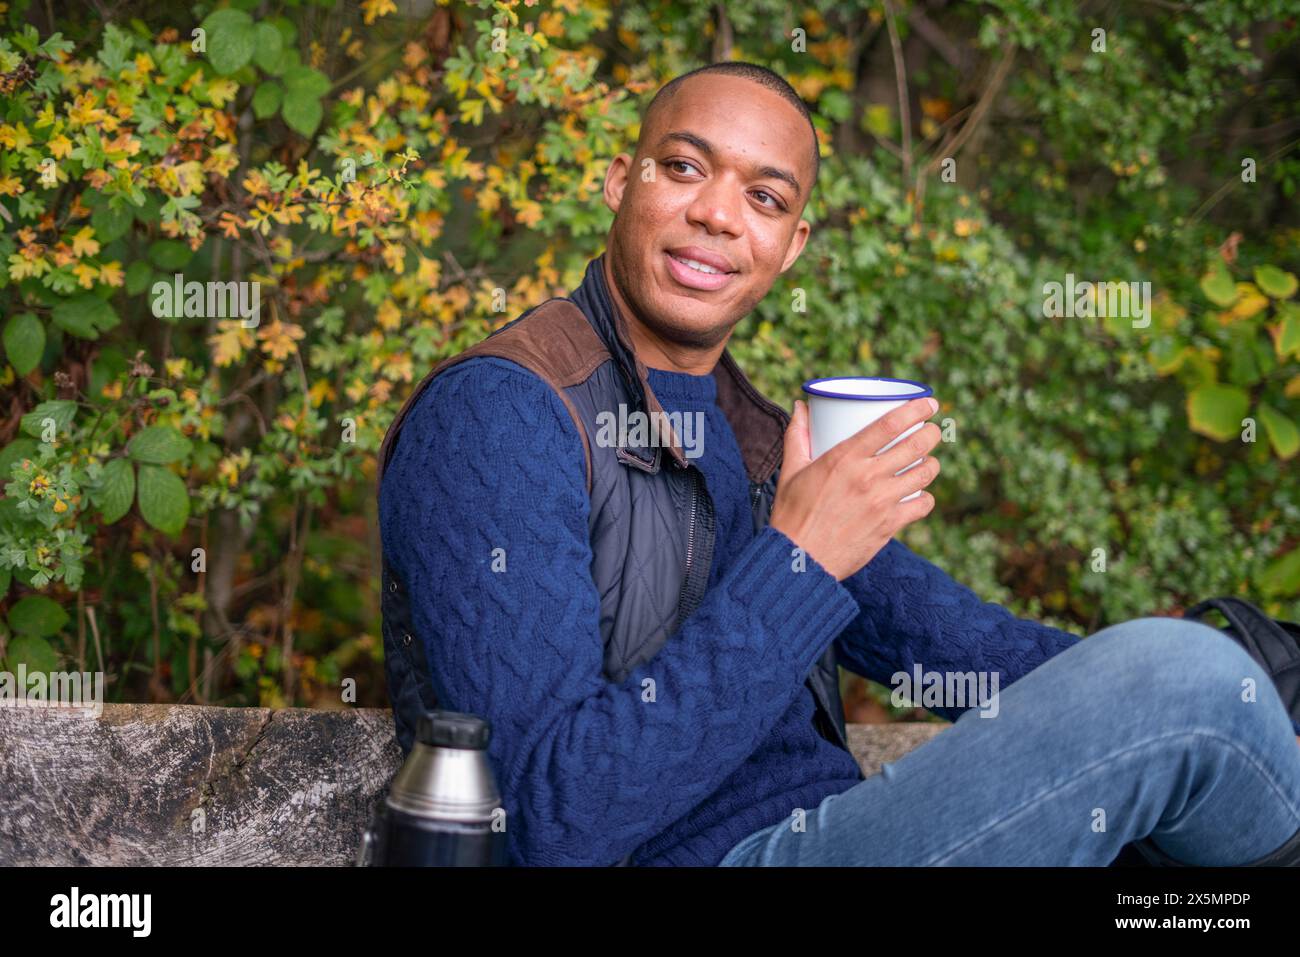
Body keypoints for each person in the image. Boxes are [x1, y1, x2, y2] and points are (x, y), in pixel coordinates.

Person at [377, 62, 1300, 866]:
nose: (717, 214)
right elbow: (549, 820)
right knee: (1184, 682)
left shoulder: (761, 441)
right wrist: (799, 561)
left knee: (1200, 691)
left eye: (766, 198)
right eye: (685, 167)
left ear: (791, 247)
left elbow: (977, 661)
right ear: (622, 181)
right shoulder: (500, 413)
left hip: (838, 832)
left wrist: (1231, 689)